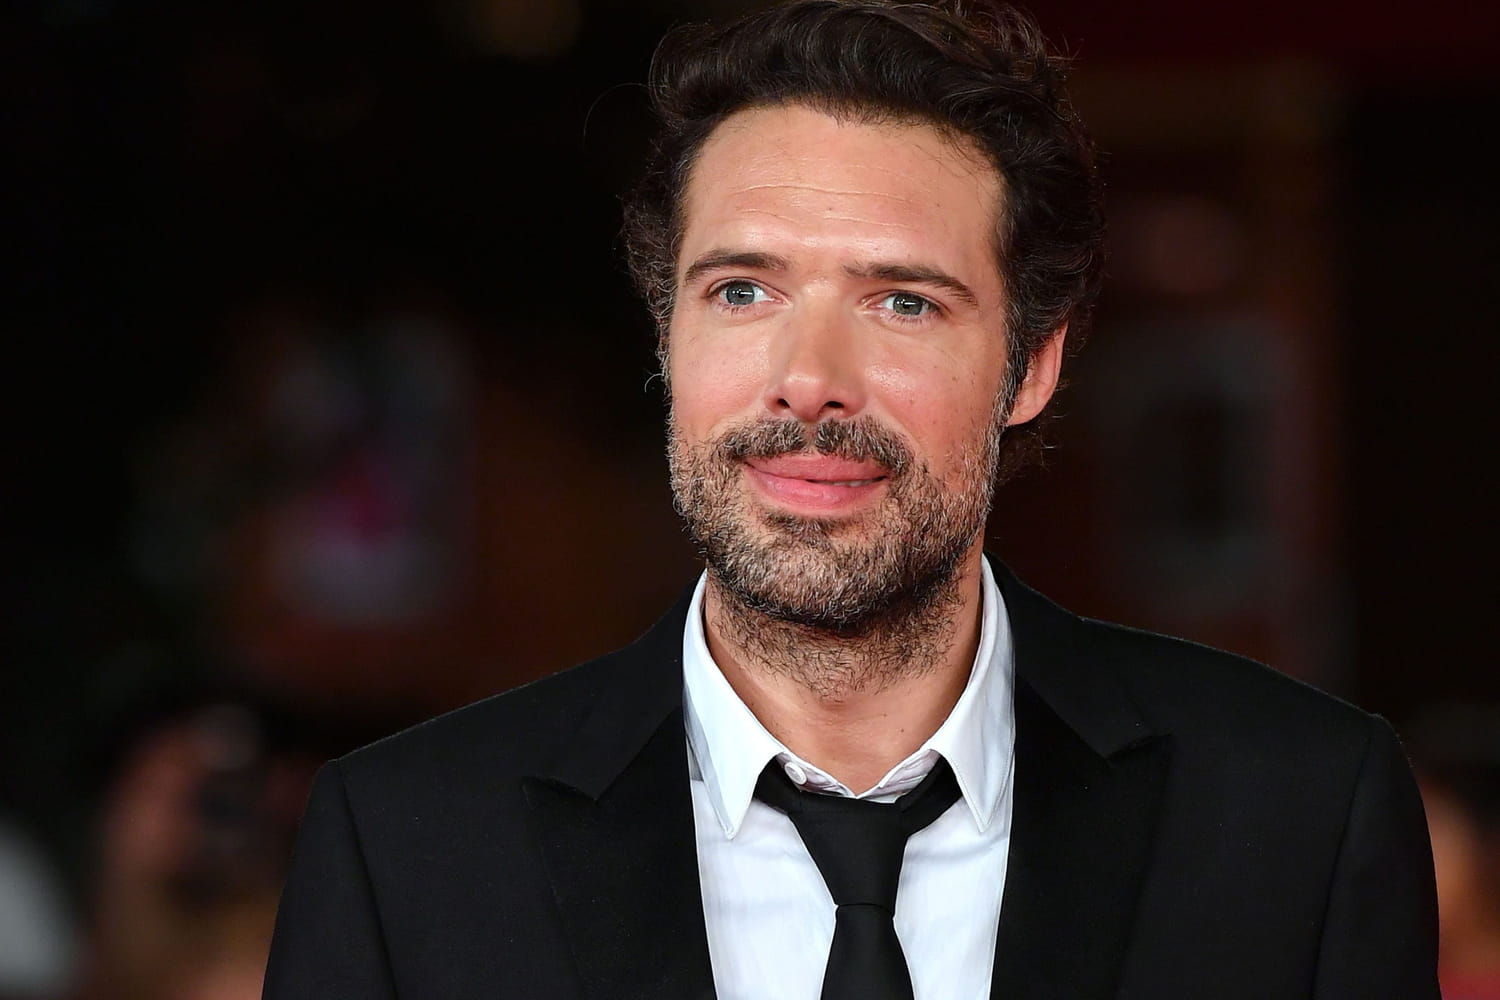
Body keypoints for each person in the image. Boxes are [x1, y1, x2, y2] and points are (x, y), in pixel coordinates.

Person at [263, 2, 1439, 997]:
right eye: (742, 291)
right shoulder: (408, 847)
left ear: (1030, 364)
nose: (810, 378)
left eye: (903, 303)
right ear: (668, 333)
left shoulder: (1296, 813)